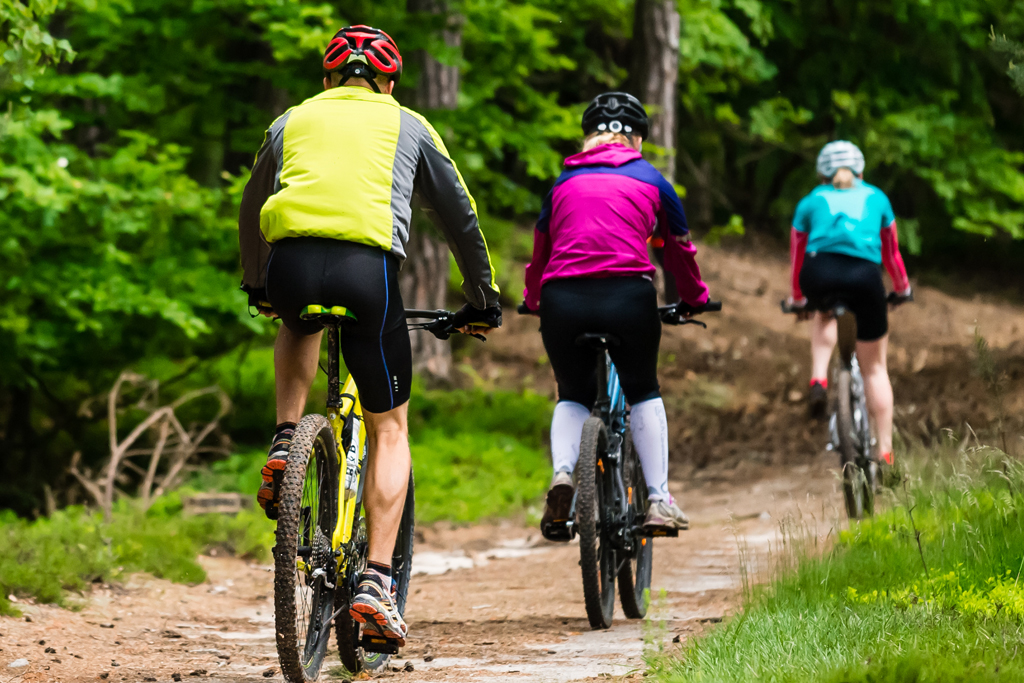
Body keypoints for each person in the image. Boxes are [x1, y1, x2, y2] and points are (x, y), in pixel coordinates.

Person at [237, 25, 501, 645]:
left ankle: (285, 441)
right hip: (368, 274)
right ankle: (377, 583)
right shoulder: (409, 124)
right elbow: (459, 216)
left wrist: (258, 284)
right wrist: (481, 297)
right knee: (390, 426)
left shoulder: (290, 119)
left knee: (295, 315)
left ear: (327, 78)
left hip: (292, 266)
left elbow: (253, 204)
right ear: (389, 81)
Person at [521, 92, 711, 537]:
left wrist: (533, 301)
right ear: (637, 138)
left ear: (588, 138)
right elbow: (679, 252)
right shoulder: (653, 181)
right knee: (643, 390)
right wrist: (694, 298)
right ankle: (659, 500)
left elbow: (540, 254)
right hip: (628, 297)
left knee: (571, 393)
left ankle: (564, 474)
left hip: (562, 299)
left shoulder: (562, 184)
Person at [787, 140, 912, 466]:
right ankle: (885, 453)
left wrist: (799, 298)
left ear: (821, 173)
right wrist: (902, 289)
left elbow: (797, 255)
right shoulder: (877, 197)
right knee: (874, 368)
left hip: (819, 272)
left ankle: (819, 378)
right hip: (864, 278)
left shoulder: (810, 201)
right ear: (860, 169)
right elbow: (892, 254)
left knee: (823, 314)